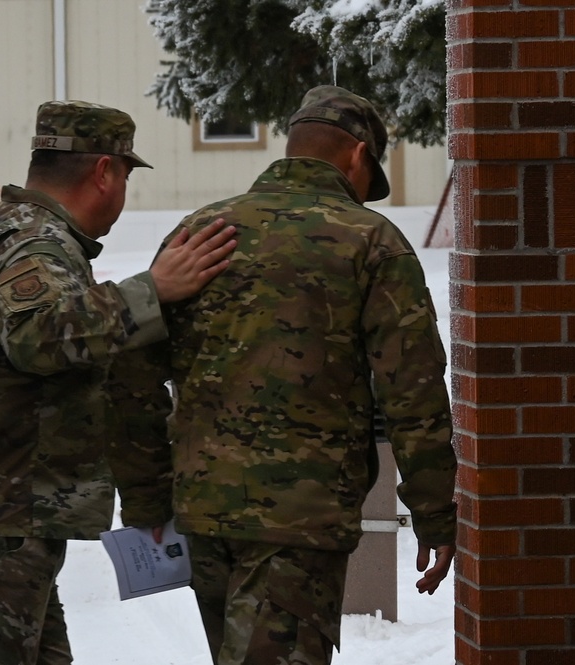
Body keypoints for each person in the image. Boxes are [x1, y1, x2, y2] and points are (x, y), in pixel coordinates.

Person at [124, 85, 458, 664]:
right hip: (300, 519)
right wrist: (434, 511)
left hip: (203, 511)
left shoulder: (200, 232)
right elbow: (413, 390)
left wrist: (148, 500)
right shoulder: (370, 241)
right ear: (357, 156)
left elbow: (131, 376)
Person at [0, 99, 237, 665]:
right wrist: (150, 292)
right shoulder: (33, 241)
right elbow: (38, 339)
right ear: (104, 171)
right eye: (127, 175)